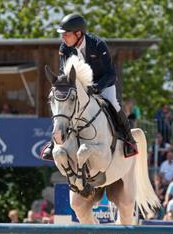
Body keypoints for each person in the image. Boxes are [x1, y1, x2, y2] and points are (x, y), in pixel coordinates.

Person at [41, 13, 137, 160]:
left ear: (78, 33)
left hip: (103, 84)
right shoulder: (64, 48)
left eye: (66, 34)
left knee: (114, 105)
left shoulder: (98, 45)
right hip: (79, 86)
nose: (63, 38)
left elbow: (111, 74)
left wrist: (97, 88)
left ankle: (129, 140)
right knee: (63, 105)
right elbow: (64, 72)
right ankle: (54, 143)